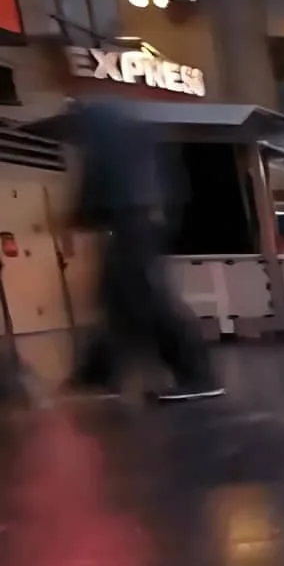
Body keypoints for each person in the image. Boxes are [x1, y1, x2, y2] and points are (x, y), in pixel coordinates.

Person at [63, 70, 221, 402]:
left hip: (133, 214)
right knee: (118, 296)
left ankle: (197, 375)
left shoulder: (101, 118)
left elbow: (104, 173)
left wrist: (79, 214)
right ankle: (98, 373)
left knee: (144, 296)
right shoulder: (118, 119)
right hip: (141, 214)